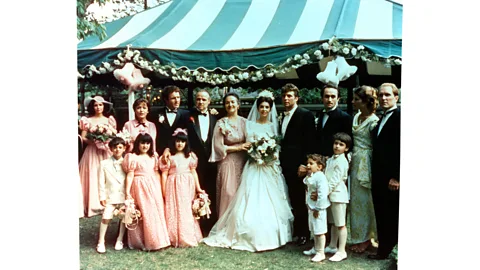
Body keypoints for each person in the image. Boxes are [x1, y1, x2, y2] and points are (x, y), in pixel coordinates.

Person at [202, 90, 294, 252]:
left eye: (267, 107)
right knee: (242, 197)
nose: (264, 110)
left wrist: (270, 155)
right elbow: (248, 143)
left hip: (267, 167)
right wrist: (256, 153)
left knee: (270, 200)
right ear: (257, 108)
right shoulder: (249, 124)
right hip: (251, 165)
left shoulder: (273, 125)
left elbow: (277, 145)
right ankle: (232, 228)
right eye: (262, 106)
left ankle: (273, 233)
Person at [278, 83, 316, 246]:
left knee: (300, 199)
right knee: (289, 199)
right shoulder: (281, 115)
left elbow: (309, 142)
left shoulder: (305, 115)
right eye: (284, 96)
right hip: (283, 164)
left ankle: (303, 233)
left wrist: (304, 164)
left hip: (298, 165)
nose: (286, 99)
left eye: (290, 96)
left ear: (296, 98)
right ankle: (292, 231)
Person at [368, 83, 401, 260]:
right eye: (380, 95)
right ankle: (384, 250)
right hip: (379, 176)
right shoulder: (381, 117)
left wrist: (397, 176)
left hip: (392, 178)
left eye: (387, 95)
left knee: (392, 215)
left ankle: (391, 249)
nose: (383, 98)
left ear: (396, 97)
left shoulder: (400, 116)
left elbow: (402, 148)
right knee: (382, 213)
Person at [123, 133, 170, 251]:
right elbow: (130, 175)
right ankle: (143, 240)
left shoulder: (153, 156)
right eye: (142, 143)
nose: (145, 146)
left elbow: (156, 173)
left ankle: (158, 239)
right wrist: (127, 192)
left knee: (155, 211)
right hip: (139, 186)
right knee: (144, 212)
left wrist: (159, 188)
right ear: (138, 144)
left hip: (153, 185)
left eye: (148, 143)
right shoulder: (132, 157)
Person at [159, 128, 205, 247]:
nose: (180, 144)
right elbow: (164, 175)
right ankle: (174, 236)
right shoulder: (169, 157)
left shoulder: (190, 156)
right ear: (174, 142)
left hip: (187, 185)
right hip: (173, 184)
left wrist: (198, 188)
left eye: (182, 141)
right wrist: (164, 191)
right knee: (174, 209)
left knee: (186, 208)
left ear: (186, 143)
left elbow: (194, 172)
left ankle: (188, 235)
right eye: (177, 141)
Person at [348, 86, 379, 253]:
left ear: (366, 101)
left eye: (356, 99)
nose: (353, 102)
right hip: (355, 160)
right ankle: (359, 236)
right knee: (356, 202)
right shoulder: (357, 117)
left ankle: (368, 238)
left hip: (367, 161)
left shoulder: (373, 121)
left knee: (367, 202)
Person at [208, 92, 250, 219]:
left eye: (233, 102)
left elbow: (251, 141)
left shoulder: (245, 122)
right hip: (227, 161)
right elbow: (218, 146)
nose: (230, 104)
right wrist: (238, 147)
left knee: (242, 193)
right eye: (227, 102)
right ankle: (226, 225)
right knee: (228, 192)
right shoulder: (221, 123)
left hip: (243, 162)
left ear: (238, 105)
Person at [79, 96, 117, 217]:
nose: (98, 107)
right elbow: (83, 137)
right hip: (92, 151)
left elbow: (114, 136)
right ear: (92, 107)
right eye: (95, 105)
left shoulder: (109, 120)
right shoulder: (88, 120)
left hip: (105, 151)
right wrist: (94, 142)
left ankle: (111, 202)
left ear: (104, 106)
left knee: (107, 175)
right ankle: (94, 204)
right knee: (94, 174)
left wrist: (106, 142)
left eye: (100, 105)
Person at [186, 89, 219, 234]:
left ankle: (210, 223)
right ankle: (195, 223)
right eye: (198, 99)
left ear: (209, 101)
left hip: (212, 161)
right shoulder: (188, 117)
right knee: (194, 191)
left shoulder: (215, 118)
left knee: (211, 191)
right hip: (195, 162)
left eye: (203, 99)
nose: (200, 102)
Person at [96, 137, 128, 253]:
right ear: (110, 149)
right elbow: (101, 181)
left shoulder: (127, 162)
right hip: (111, 196)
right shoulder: (104, 164)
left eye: (120, 147)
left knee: (125, 216)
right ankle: (101, 241)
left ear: (124, 148)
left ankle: (119, 239)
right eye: (115, 147)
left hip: (124, 196)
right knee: (106, 217)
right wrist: (102, 196)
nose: (117, 150)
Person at [324, 132, 351, 262]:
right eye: (336, 143)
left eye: (341, 145)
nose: (337, 146)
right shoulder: (330, 159)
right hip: (330, 195)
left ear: (346, 148)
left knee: (340, 224)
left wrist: (324, 191)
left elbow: (335, 179)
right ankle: (332, 246)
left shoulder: (342, 161)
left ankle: (342, 251)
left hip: (338, 195)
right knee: (333, 222)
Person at [302, 154, 330, 263]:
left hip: (318, 208)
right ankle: (315, 248)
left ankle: (320, 252)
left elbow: (322, 194)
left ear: (319, 166)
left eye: (311, 163)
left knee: (320, 230)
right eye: (307, 163)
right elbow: (306, 182)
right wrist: (309, 174)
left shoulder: (321, 177)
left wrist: (318, 208)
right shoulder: (312, 175)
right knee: (314, 229)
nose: (308, 165)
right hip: (311, 207)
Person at [149, 85, 190, 155]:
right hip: (160, 152)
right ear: (166, 100)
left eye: (178, 97)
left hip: (180, 153)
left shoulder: (186, 114)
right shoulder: (155, 114)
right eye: (173, 98)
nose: (177, 100)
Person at [315, 85, 352, 157]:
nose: (329, 100)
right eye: (326, 96)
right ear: (322, 98)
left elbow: (348, 142)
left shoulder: (345, 117)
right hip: (319, 158)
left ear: (338, 99)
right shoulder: (320, 114)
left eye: (333, 96)